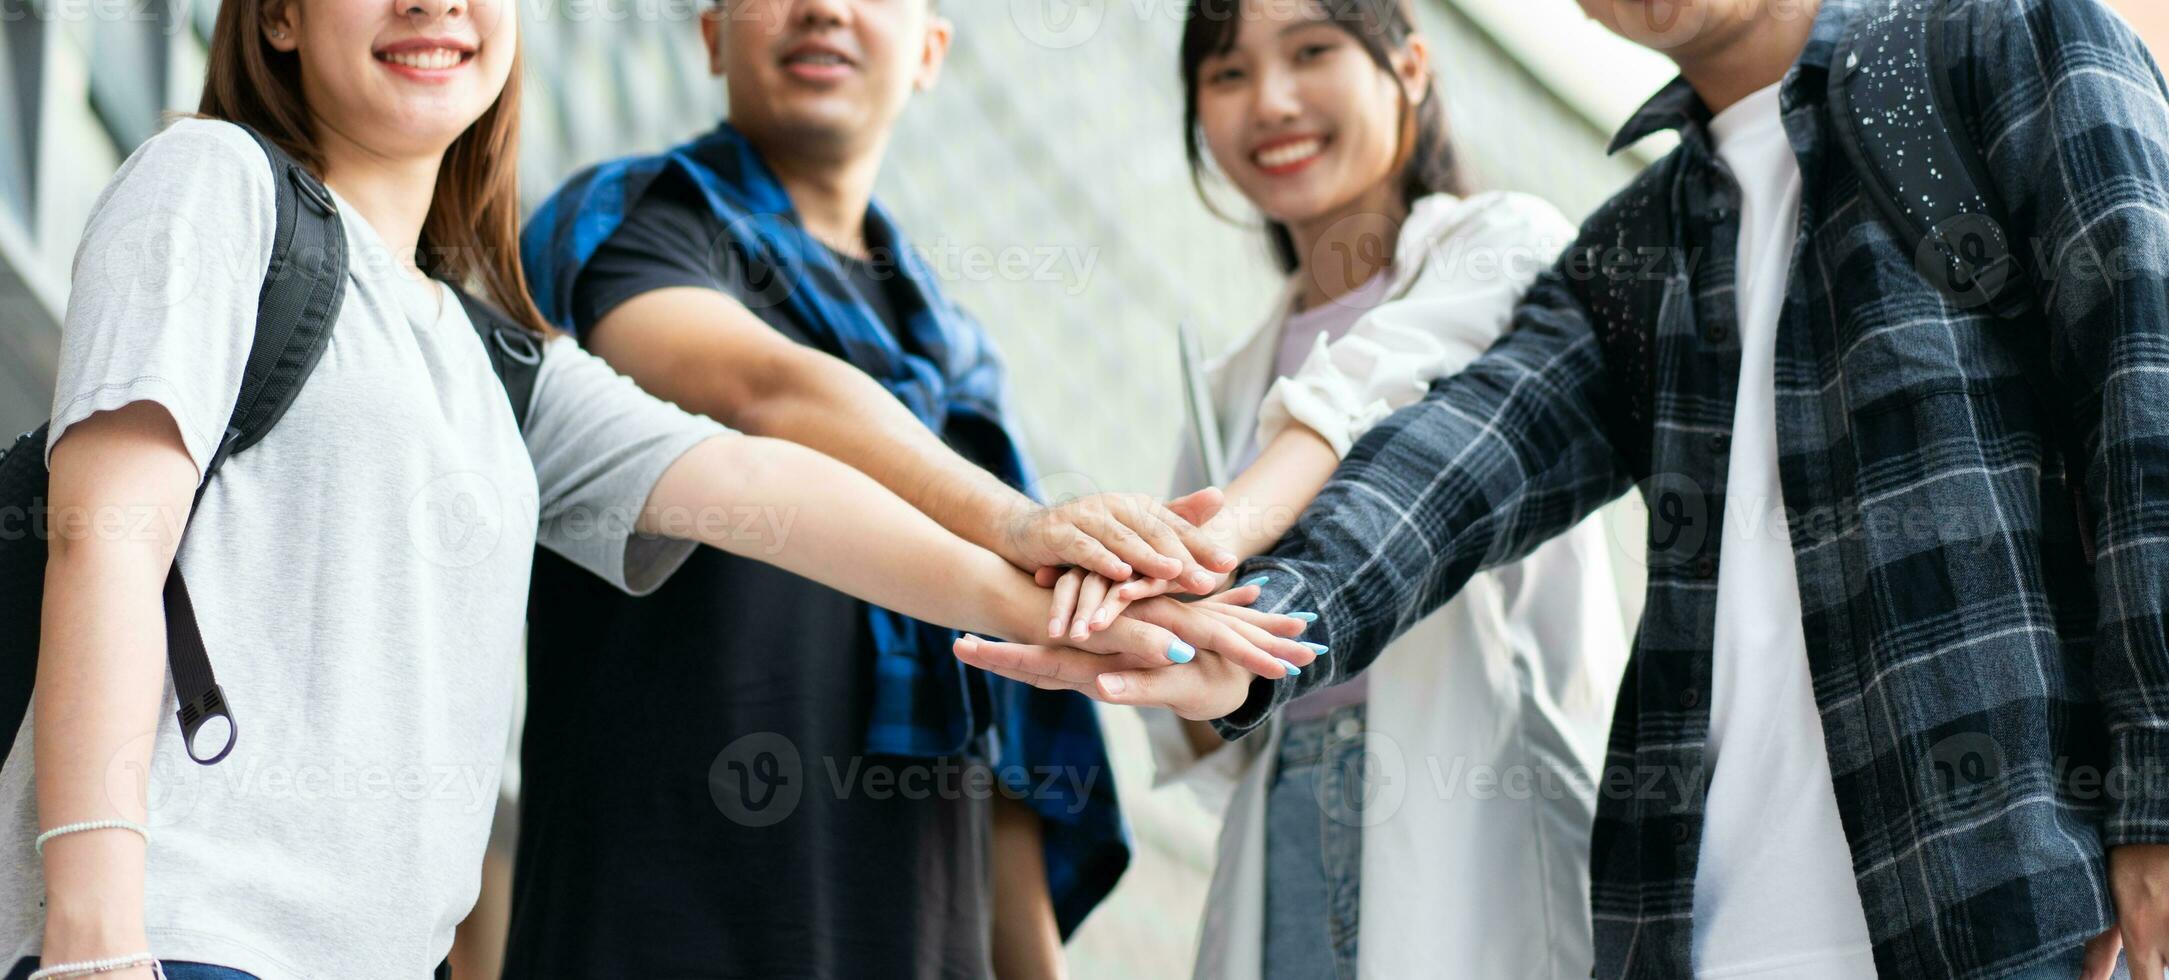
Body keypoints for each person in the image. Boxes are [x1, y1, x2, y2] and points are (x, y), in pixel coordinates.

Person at [0, 0, 1314, 975]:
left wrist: (1098, 620)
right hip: (178, 945)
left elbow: (756, 484)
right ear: (276, 16)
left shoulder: (492, 357)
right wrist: (97, 939)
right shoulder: (213, 184)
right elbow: (104, 544)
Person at [960, 0, 2169, 976]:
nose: (1267, 95)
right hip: (1691, 927)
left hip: (2006, 904)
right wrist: (1259, 630)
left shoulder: (2006, 44)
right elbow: (1459, 463)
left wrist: (2156, 786)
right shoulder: (1637, 244)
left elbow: (2148, 400)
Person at [505, 1, 1273, 976]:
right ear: (709, 34)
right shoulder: (636, 220)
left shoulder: (950, 357)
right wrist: (1018, 521)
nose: (823, 7)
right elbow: (768, 388)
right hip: (654, 931)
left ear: (930, 52)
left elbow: (1008, 720)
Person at [1036, 0, 1625, 976]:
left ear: (1411, 67)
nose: (1269, 101)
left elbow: (1362, 393)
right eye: (1225, 75)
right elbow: (1201, 723)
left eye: (1311, 52)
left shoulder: (1504, 242)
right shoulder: (1228, 379)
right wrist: (1120, 613)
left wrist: (1194, 553)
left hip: (1478, 810)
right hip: (1288, 820)